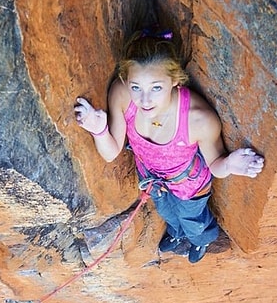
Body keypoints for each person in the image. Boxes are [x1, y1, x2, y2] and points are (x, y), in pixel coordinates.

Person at [74, 28, 264, 264]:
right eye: (136, 87)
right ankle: (176, 233)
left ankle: (200, 239)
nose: (144, 100)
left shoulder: (198, 120)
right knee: (166, 212)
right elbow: (112, 152)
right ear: (126, 80)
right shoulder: (122, 95)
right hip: (152, 180)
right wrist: (98, 129)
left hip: (190, 187)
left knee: (192, 219)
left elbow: (215, 165)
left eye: (156, 87)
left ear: (174, 80)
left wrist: (231, 164)